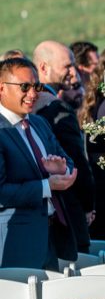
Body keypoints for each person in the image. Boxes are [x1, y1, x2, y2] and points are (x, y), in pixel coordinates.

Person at [0, 57, 78, 269]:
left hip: (53, 234)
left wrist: (63, 170)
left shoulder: (39, 123)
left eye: (36, 86)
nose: (33, 94)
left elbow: (67, 161)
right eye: (24, 87)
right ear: (2, 88)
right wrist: (46, 186)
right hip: (16, 241)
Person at [32, 42, 94, 262]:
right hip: (67, 212)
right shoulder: (55, 109)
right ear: (44, 68)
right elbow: (77, 161)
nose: (73, 72)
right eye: (67, 66)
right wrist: (88, 205)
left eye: (74, 65)